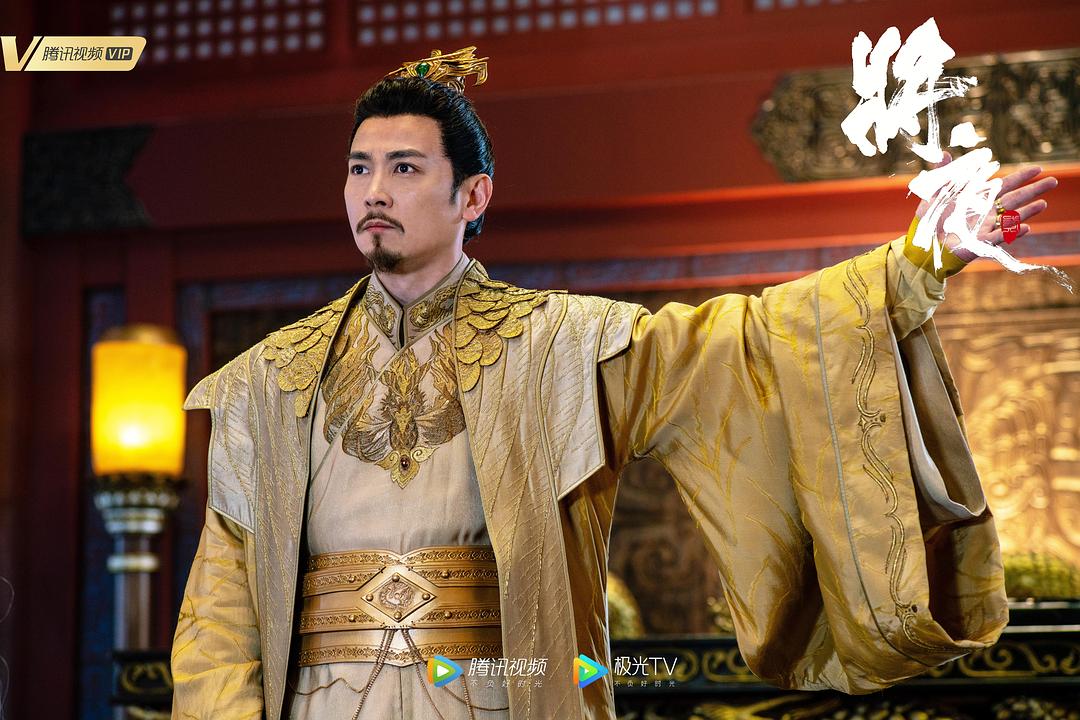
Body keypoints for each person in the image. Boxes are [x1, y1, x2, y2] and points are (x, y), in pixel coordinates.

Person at [169, 47, 1058, 720]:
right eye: (359, 168)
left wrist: (913, 264)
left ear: (473, 197)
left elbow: (739, 346)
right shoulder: (271, 380)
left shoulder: (559, 344)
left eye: (405, 168)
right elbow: (220, 609)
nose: (374, 190)